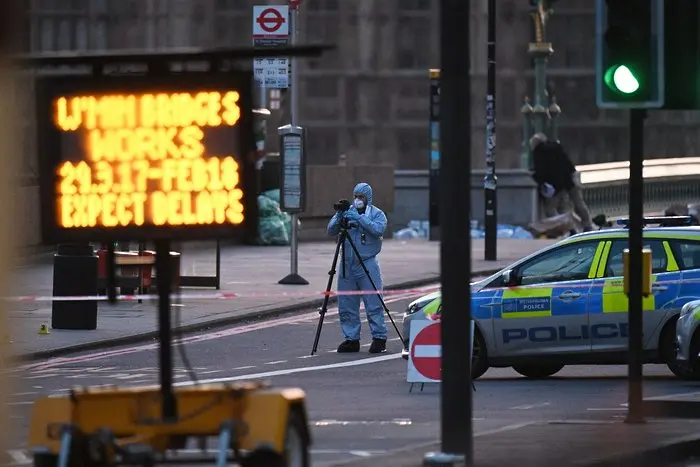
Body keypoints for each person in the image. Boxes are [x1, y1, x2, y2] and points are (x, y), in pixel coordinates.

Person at [327, 182, 388, 354]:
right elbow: (331, 230)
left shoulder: (377, 214)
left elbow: (378, 230)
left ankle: (379, 337)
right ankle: (351, 338)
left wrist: (359, 218)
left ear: (368, 198)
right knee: (346, 304)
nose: (358, 199)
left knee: (373, 302)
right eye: (356, 196)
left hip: (367, 262)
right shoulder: (347, 212)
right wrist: (340, 215)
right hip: (347, 263)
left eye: (361, 197)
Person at [529, 133, 595, 232]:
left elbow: (540, 171)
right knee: (578, 204)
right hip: (569, 181)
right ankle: (588, 224)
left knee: (550, 209)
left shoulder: (539, 152)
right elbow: (569, 164)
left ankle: (567, 227)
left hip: (555, 186)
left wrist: (538, 181)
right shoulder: (557, 148)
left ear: (534, 144)